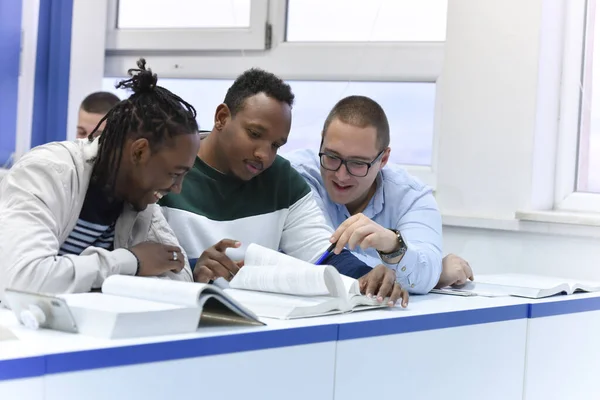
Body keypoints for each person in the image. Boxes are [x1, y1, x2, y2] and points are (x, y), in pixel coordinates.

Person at [159, 69, 409, 307]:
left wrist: (370, 277)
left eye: (276, 145)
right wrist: (192, 267)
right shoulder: (167, 169)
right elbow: (132, 259)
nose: (263, 155)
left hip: (260, 323)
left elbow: (324, 256)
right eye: (255, 134)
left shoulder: (282, 179)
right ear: (222, 117)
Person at [0, 58, 200, 302]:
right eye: (174, 173)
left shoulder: (141, 202)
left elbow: (177, 278)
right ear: (139, 152)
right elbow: (22, 280)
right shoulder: (46, 171)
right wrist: (131, 261)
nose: (177, 188)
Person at [286, 95, 474, 294]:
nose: (341, 175)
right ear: (321, 141)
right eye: (332, 157)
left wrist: (394, 246)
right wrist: (433, 276)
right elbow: (310, 258)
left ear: (383, 158)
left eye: (358, 163)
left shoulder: (412, 197)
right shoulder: (297, 175)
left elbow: (426, 267)